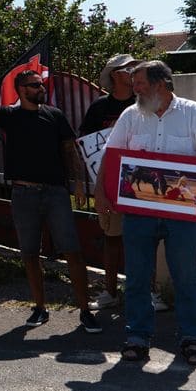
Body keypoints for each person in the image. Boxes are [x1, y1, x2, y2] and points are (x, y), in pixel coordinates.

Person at [0, 67, 101, 334]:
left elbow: (68, 149)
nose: (40, 88)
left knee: (73, 251)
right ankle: (40, 307)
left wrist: (77, 183)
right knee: (29, 253)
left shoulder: (55, 114)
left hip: (55, 193)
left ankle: (85, 310)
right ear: (21, 90)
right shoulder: (9, 115)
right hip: (23, 193)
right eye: (34, 85)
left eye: (41, 84)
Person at [96, 61, 196, 366]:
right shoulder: (131, 115)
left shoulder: (194, 113)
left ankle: (192, 339)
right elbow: (111, 156)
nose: (134, 88)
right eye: (134, 83)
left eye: (139, 83)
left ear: (161, 83)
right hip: (138, 215)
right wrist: (101, 192)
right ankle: (137, 337)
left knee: (185, 277)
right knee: (137, 278)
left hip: (182, 216)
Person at [80, 54, 141, 311]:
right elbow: (86, 143)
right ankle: (110, 292)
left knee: (143, 239)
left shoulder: (143, 103)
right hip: (111, 183)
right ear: (116, 75)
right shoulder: (99, 107)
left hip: (141, 184)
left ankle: (148, 292)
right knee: (112, 237)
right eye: (129, 68)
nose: (135, 71)